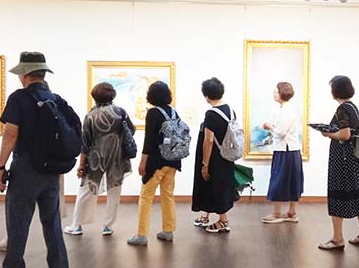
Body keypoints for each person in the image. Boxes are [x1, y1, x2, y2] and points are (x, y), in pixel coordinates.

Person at [0, 51, 78, 268]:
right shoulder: (55, 98)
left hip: (25, 171)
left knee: (18, 225)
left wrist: (0, 167)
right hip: (51, 171)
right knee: (52, 222)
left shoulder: (19, 98)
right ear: (43, 74)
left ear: (23, 75)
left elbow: (11, 134)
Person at [65, 82, 135, 236]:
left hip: (96, 158)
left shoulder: (90, 116)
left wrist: (81, 165)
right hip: (117, 157)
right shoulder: (120, 112)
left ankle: (77, 225)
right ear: (112, 95)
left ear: (95, 97)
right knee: (114, 190)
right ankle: (108, 226)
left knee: (86, 190)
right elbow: (132, 130)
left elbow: (85, 143)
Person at [318, 76, 359, 251]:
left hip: (340, 157)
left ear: (335, 91)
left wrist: (327, 133)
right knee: (357, 193)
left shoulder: (342, 108)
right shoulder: (352, 107)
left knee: (336, 194)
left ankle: (337, 238)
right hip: (351, 157)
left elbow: (345, 134)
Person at [128, 81, 181, 246]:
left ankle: (141, 235)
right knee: (168, 195)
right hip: (173, 160)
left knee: (146, 196)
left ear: (151, 95)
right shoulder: (174, 112)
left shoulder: (153, 113)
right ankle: (168, 231)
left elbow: (149, 141)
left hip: (156, 162)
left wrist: (142, 162)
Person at [192, 77, 236, 234]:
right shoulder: (230, 110)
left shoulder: (211, 114)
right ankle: (205, 215)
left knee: (215, 186)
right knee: (213, 185)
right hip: (226, 155)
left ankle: (223, 221)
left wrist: (205, 164)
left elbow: (209, 140)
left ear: (206, 95)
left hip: (214, 158)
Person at [261, 82, 304, 224]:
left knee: (278, 180)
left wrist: (269, 126)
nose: (274, 94)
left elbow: (281, 131)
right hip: (291, 150)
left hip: (285, 150)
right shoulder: (287, 109)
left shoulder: (286, 110)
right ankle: (291, 213)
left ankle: (277, 213)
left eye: (276, 91)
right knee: (293, 181)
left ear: (282, 93)